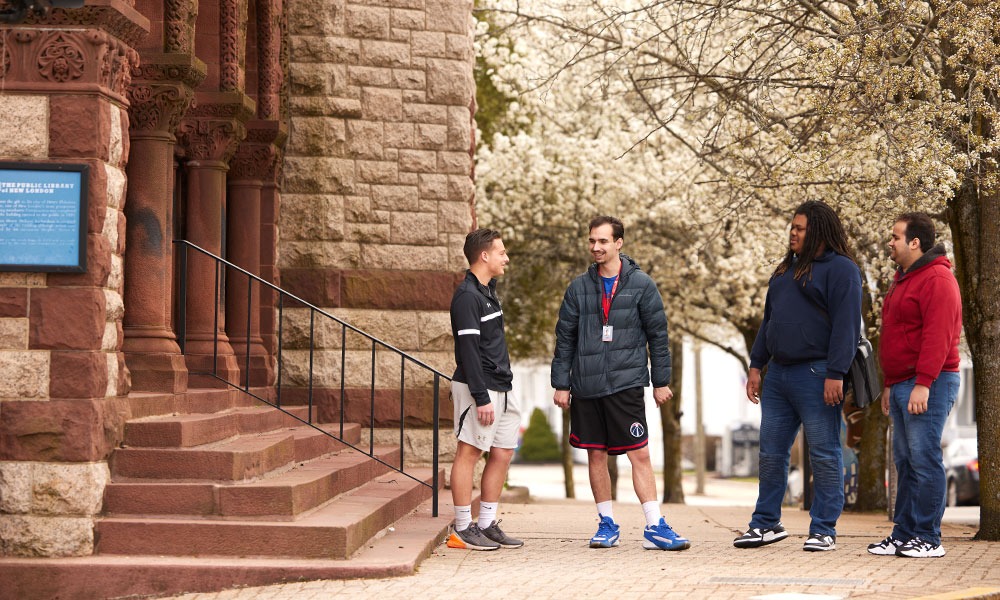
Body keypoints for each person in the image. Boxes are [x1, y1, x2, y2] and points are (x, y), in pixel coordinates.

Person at [551, 216, 690, 551]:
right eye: (591, 241)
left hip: (626, 383)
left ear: (618, 243)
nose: (596, 247)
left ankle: (655, 526)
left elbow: (659, 336)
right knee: (596, 455)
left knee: (639, 454)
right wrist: (561, 383)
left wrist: (661, 381)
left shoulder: (642, 285)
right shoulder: (578, 288)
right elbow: (564, 338)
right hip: (586, 385)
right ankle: (606, 524)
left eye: (603, 241)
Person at [736, 200, 862, 552]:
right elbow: (768, 322)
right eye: (792, 227)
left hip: (818, 373)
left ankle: (823, 528)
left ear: (818, 231)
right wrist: (756, 365)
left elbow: (846, 327)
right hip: (778, 376)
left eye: (800, 228)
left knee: (824, 454)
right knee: (771, 453)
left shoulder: (842, 270)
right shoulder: (783, 271)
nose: (793, 232)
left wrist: (836, 373)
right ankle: (765, 524)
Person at [867, 212, 962, 559]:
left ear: (915, 242)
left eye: (895, 237)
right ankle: (903, 533)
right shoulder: (904, 279)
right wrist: (891, 384)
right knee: (905, 462)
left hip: (931, 383)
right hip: (904, 383)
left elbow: (939, 336)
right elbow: (896, 336)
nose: (890, 243)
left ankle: (928, 537)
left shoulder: (937, 279)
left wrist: (923, 383)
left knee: (924, 459)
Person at [445, 229, 523, 551]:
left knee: (503, 452)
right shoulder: (467, 297)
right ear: (484, 256)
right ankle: (463, 528)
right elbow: (468, 351)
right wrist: (480, 397)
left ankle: (487, 523)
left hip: (503, 387)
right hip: (479, 389)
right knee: (470, 452)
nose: (506, 258)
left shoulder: (488, 292)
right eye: (501, 252)